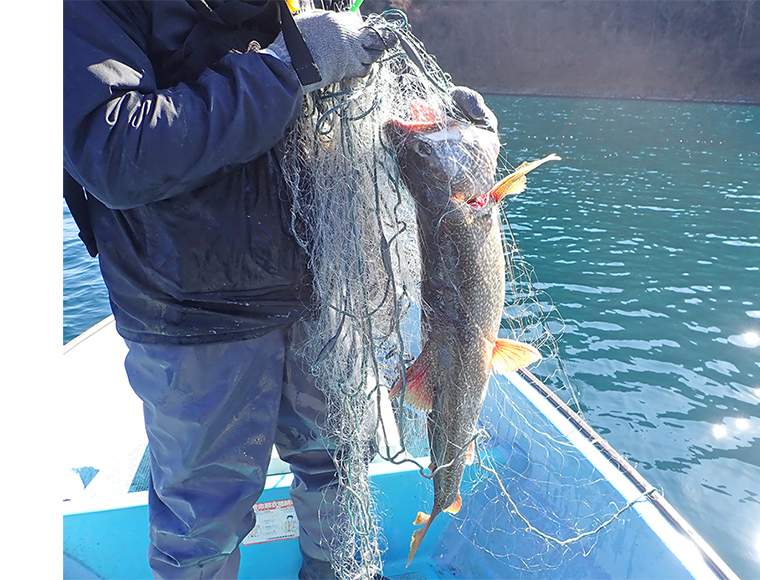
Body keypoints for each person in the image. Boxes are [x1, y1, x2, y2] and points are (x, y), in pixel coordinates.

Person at [62, 1, 495, 579]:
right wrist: (286, 66)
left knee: (341, 476)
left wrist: (457, 149)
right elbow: (114, 150)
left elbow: (345, 108)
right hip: (192, 312)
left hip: (324, 292)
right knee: (202, 526)